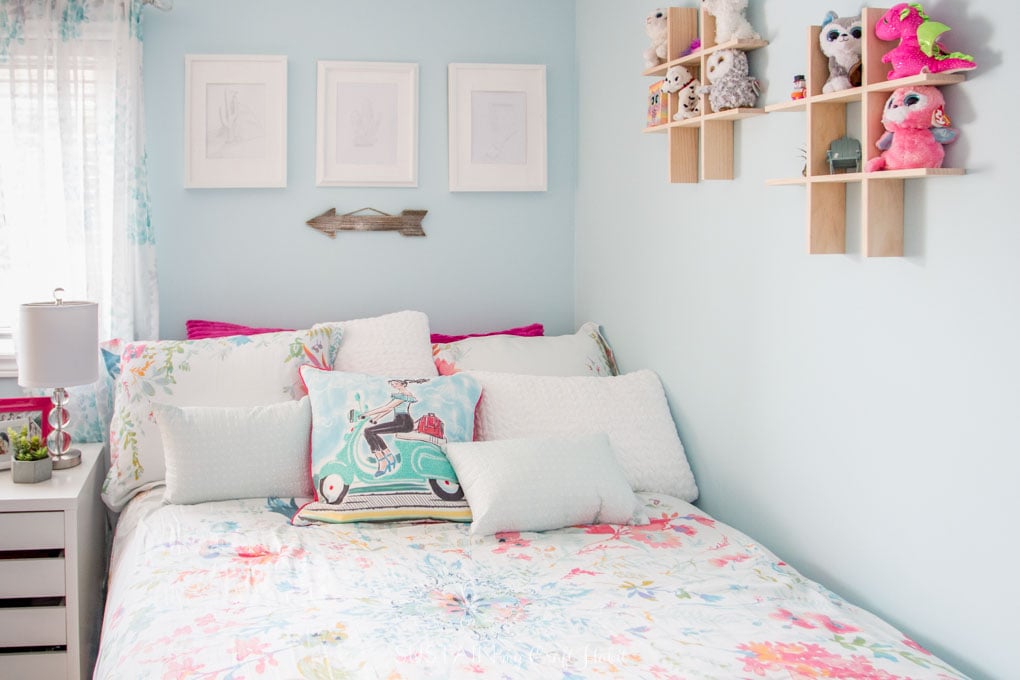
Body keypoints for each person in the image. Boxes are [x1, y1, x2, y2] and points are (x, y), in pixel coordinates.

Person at [361, 379, 428, 477]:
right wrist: (376, 418)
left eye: (396, 384)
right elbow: (390, 409)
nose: (394, 386)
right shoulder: (399, 395)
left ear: (402, 384)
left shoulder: (405, 394)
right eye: (392, 384)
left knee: (368, 431)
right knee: (371, 432)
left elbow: (387, 407)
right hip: (399, 420)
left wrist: (366, 414)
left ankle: (383, 462)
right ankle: (389, 458)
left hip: (404, 422)